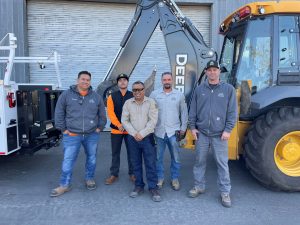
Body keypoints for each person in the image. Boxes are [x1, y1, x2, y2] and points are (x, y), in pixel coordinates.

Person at [188, 60, 237, 208]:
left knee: (222, 164)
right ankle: (199, 186)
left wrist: (228, 130)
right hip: (202, 133)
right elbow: (193, 110)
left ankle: (225, 192)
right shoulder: (199, 89)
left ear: (219, 72)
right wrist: (192, 127)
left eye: (215, 70)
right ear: (206, 72)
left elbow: (232, 112)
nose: (212, 72)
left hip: (220, 134)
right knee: (199, 162)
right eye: (209, 70)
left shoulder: (228, 89)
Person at [50, 71, 107, 197]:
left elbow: (102, 114)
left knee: (91, 158)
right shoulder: (66, 95)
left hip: (91, 134)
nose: (85, 82)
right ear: (77, 80)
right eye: (83, 79)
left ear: (90, 82)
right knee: (68, 160)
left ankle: (89, 179)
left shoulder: (96, 96)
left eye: (88, 80)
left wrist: (99, 128)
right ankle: (64, 185)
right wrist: (63, 129)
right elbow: (59, 112)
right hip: (72, 135)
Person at [121, 81, 160, 202]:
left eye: (140, 89)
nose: (137, 92)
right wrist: (134, 133)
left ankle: (153, 188)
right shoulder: (128, 103)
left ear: (144, 90)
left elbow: (153, 121)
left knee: (150, 163)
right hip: (132, 138)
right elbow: (124, 120)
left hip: (147, 138)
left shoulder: (151, 102)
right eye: (135, 90)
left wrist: (141, 134)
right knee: (135, 163)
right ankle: (139, 186)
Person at [150, 72, 188, 191]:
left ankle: (174, 179)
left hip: (174, 132)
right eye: (164, 80)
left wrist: (183, 129)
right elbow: (150, 111)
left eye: (169, 79)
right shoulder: (154, 94)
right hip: (159, 132)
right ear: (161, 81)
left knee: (175, 158)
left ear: (172, 80)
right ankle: (160, 178)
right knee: (158, 158)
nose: (167, 81)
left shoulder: (179, 95)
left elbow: (184, 112)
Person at [105, 73, 135, 185]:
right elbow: (111, 113)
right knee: (115, 153)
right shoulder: (112, 96)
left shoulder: (132, 95)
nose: (122, 82)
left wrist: (127, 126)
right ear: (117, 83)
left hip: (130, 131)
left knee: (132, 153)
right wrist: (119, 125)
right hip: (116, 130)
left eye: (125, 80)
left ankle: (132, 173)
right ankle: (114, 174)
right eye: (120, 80)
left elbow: (135, 113)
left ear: (127, 82)